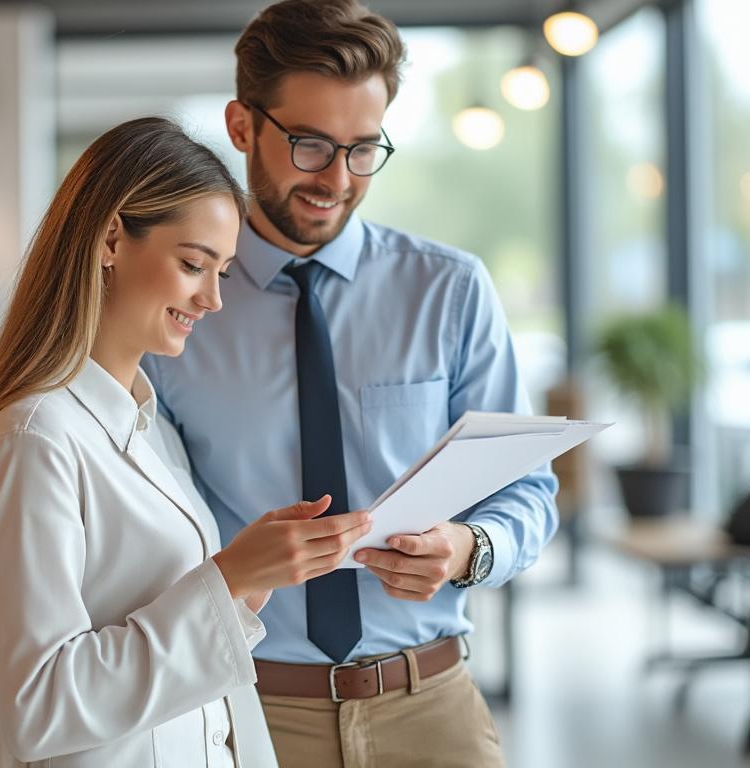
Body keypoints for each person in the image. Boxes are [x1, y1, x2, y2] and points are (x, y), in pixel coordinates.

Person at [141, 2, 560, 766]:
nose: (336, 179)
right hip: (246, 710)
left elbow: (528, 491)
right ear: (242, 127)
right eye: (310, 145)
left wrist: (469, 547)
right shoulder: (177, 312)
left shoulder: (449, 291)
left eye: (363, 149)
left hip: (432, 708)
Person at [0, 117, 373, 768]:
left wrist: (250, 580)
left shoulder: (150, 429)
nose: (213, 299)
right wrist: (229, 576)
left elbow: (166, 626)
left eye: (222, 271)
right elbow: (39, 705)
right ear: (111, 239)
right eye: (193, 265)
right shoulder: (36, 438)